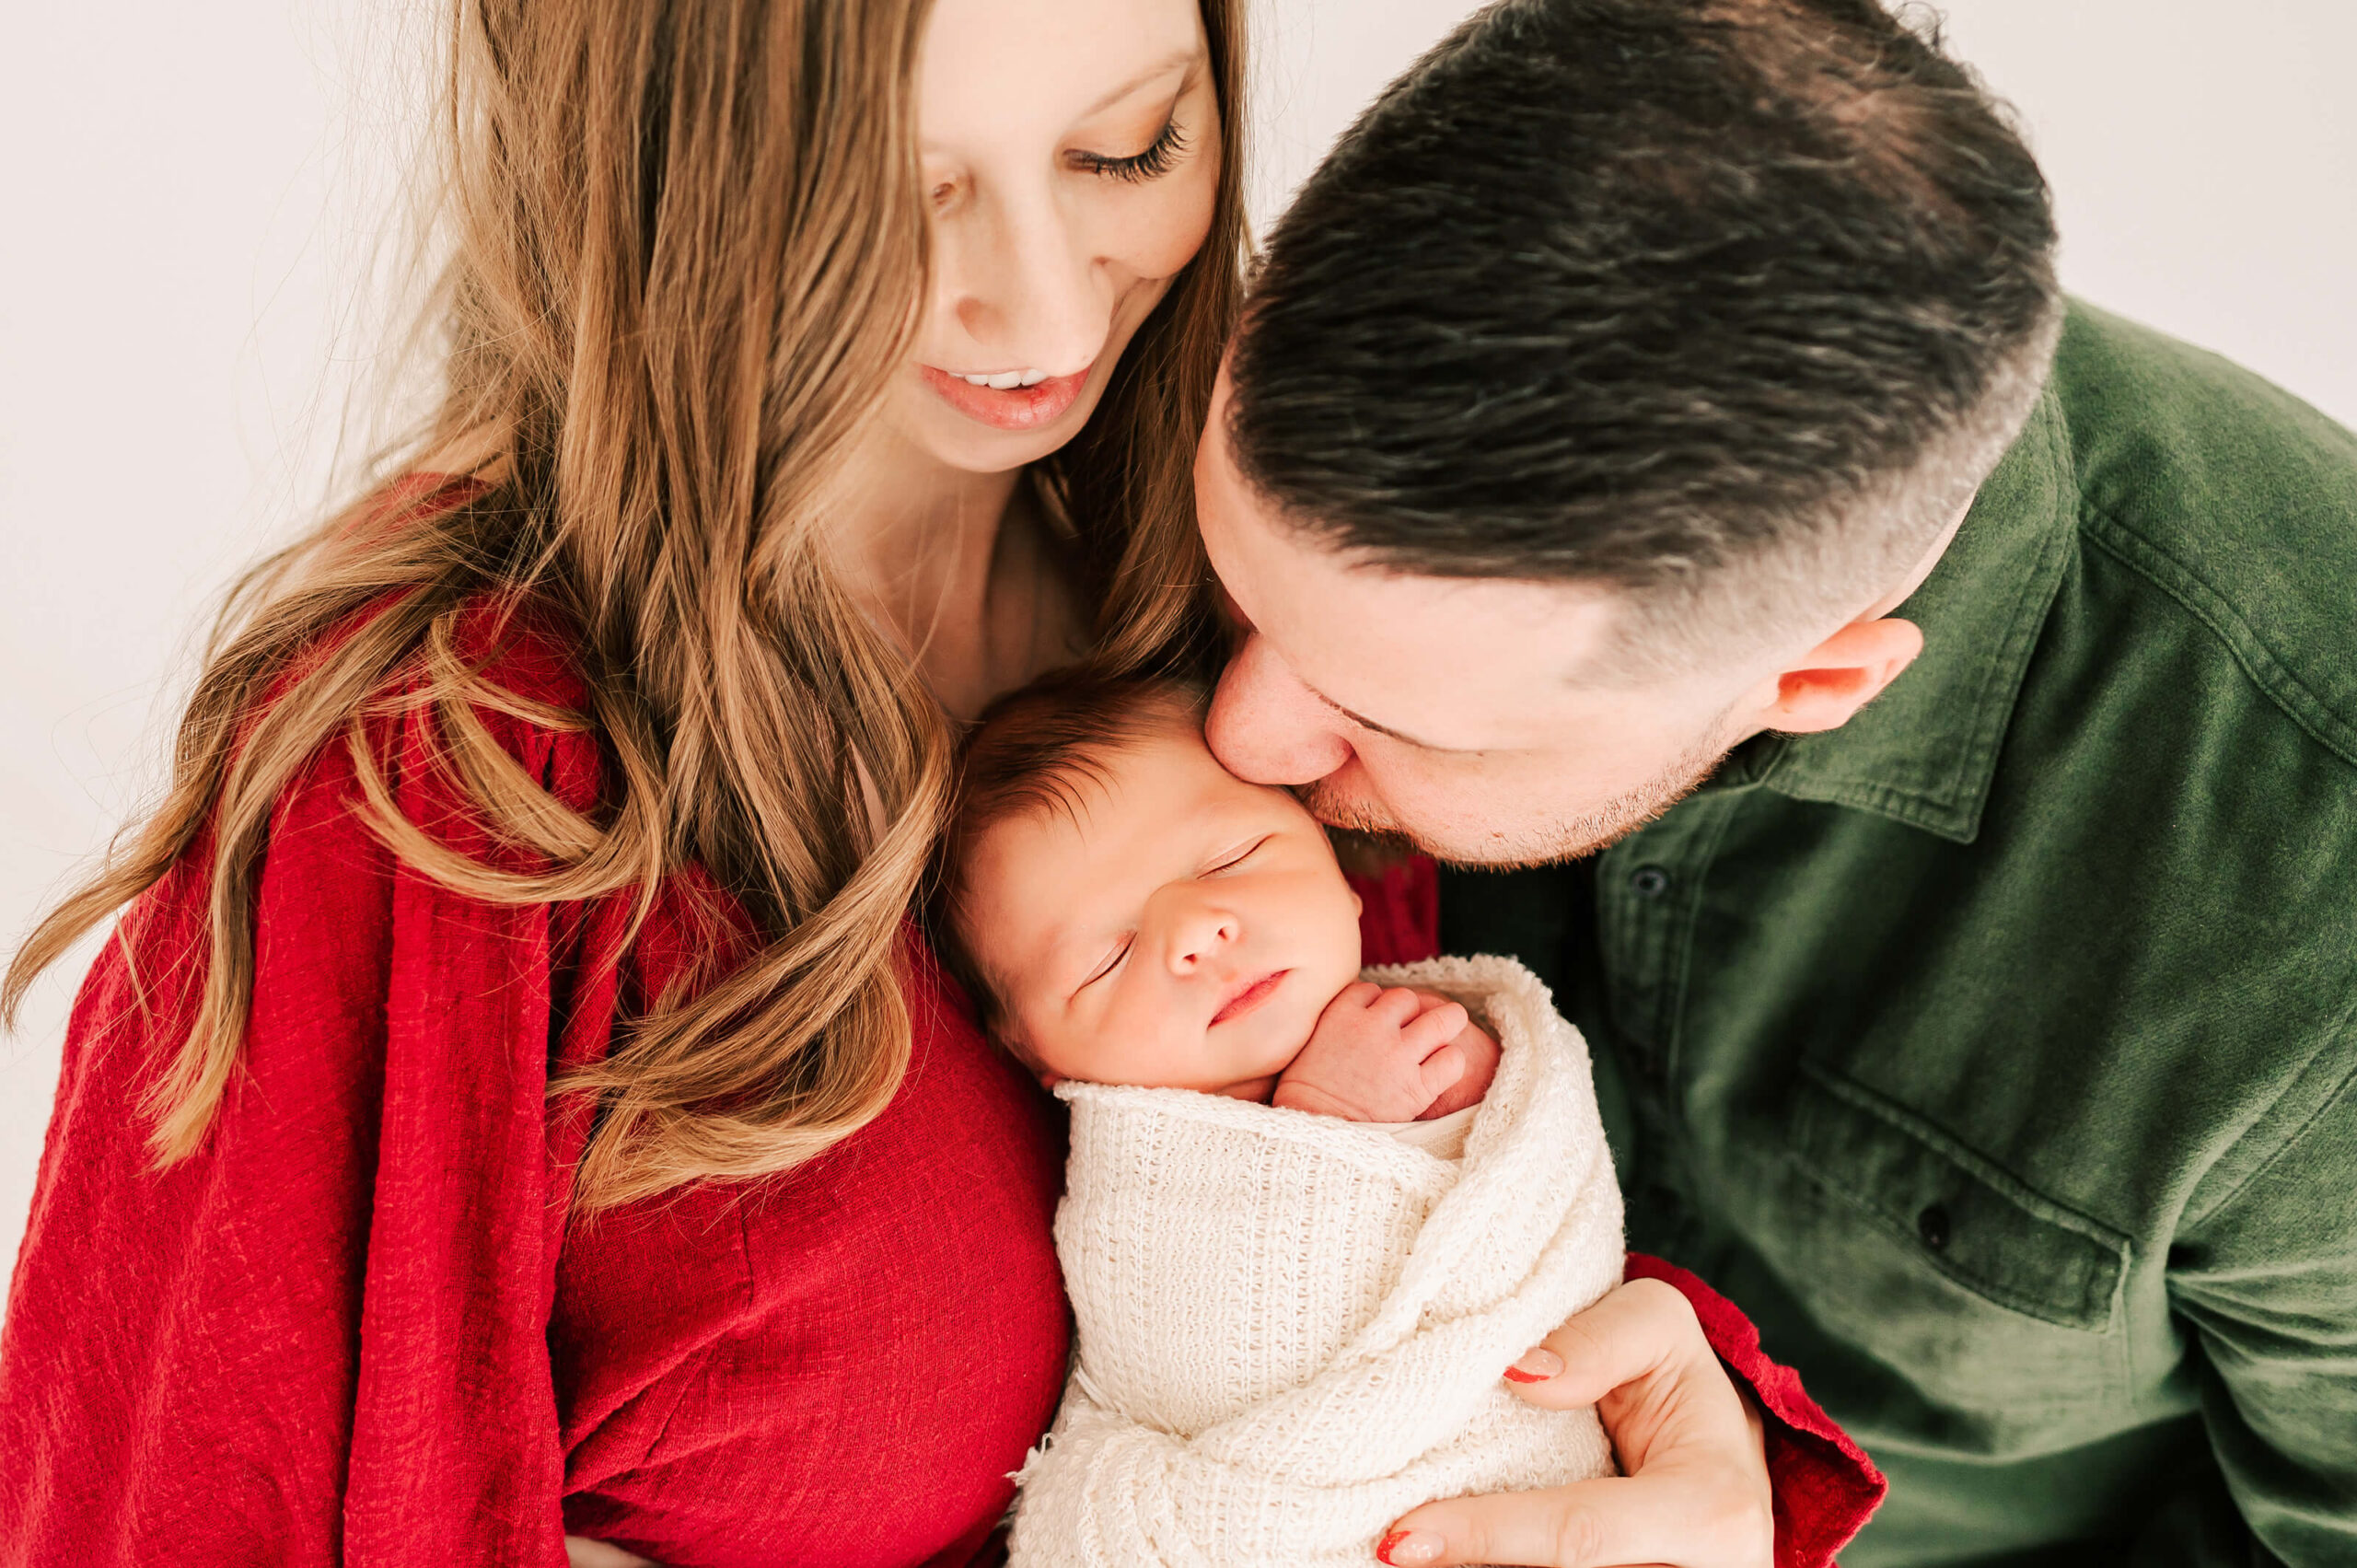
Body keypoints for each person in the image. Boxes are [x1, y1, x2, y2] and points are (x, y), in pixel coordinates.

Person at [0, 1, 1863, 1565]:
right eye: (890, 201)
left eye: (1127, 151)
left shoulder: (1261, 583)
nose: (1038, 311)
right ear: (649, 180)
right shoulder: (433, 787)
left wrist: (1663, 1438)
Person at [1196, 0, 2357, 1564]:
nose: (1241, 741)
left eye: (1397, 724)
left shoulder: (2315, 936)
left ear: (1815, 684)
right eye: (1240, 600)